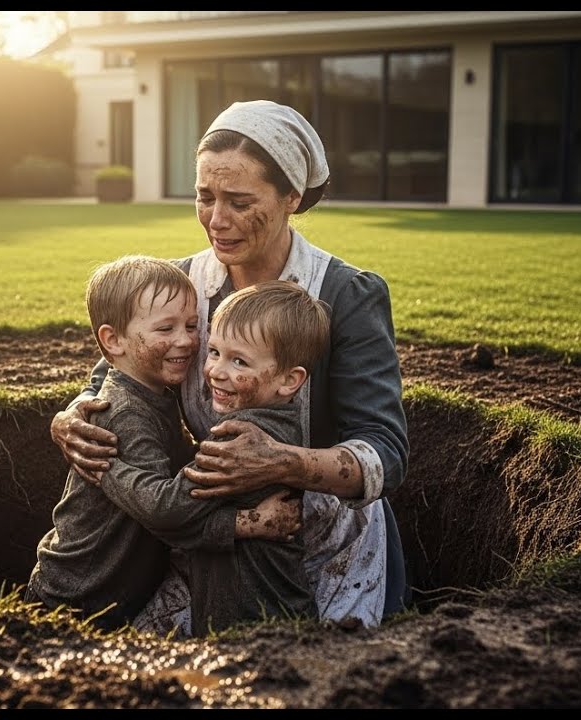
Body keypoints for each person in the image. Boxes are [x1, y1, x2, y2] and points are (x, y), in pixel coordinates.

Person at [51, 99, 411, 628]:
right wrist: (74, 411)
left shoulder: (346, 294)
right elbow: (115, 373)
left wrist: (283, 462)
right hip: (210, 528)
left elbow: (387, 453)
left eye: (240, 201)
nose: (216, 221)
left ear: (292, 197)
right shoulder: (180, 284)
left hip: (323, 536)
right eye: (204, 197)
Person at [23, 254, 299, 631]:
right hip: (75, 600)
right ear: (112, 340)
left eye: (190, 325)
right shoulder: (122, 413)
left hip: (114, 593)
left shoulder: (155, 391)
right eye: (165, 329)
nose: (185, 341)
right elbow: (165, 511)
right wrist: (244, 522)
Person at [100, 279, 330, 633]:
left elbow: (166, 510)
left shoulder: (239, 443)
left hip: (258, 626)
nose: (216, 372)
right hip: (272, 617)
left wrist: (107, 468)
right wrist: (244, 522)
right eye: (215, 352)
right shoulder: (282, 420)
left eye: (239, 362)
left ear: (290, 380)